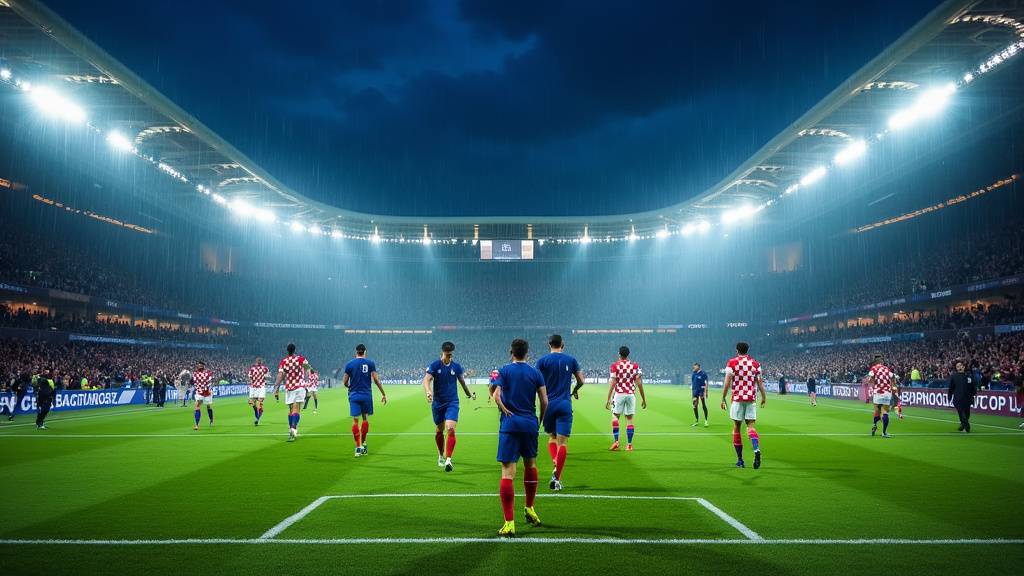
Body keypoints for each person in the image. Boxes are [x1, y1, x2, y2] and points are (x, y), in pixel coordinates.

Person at [491, 338, 548, 537]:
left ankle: (509, 523)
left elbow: (496, 395)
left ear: (511, 352)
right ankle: (530, 507)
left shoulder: (504, 370)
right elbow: (544, 400)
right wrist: (538, 420)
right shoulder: (536, 373)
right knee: (531, 465)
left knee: (508, 473)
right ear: (527, 353)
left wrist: (504, 408)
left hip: (510, 425)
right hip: (530, 424)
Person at [535, 334, 584, 491]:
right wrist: (574, 390)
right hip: (564, 404)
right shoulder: (571, 359)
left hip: (548, 404)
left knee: (552, 437)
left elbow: (535, 382)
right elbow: (581, 380)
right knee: (563, 442)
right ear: (563, 344)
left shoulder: (542, 361)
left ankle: (556, 463)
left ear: (549, 344)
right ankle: (556, 477)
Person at [423, 341, 474, 472]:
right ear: (442, 353)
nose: (449, 357)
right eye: (447, 355)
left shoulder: (456, 367)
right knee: (439, 431)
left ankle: (448, 460)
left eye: (451, 355)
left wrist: (469, 394)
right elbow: (426, 380)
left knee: (450, 429)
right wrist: (428, 392)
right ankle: (440, 455)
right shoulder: (435, 365)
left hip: (452, 402)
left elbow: (462, 382)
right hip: (438, 403)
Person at [720, 342, 767, 469]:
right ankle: (756, 450)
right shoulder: (755, 364)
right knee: (751, 426)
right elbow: (760, 383)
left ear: (737, 350)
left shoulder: (732, 363)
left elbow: (727, 383)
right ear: (748, 350)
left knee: (736, 427)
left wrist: (723, 398)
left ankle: (740, 460)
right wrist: (763, 397)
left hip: (737, 399)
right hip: (751, 399)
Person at [343, 344, 387, 457]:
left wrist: (349, 387)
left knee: (355, 421)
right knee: (365, 419)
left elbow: (345, 382)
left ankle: (358, 448)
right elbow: (376, 380)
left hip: (354, 395)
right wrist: (383, 394)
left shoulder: (350, 364)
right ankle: (364, 444)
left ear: (356, 352)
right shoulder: (370, 363)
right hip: (366, 395)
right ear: (365, 352)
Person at [604, 346, 646, 451]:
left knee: (615, 416)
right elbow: (639, 383)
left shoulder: (615, 366)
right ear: (628, 354)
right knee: (630, 419)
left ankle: (616, 442)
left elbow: (613, 382)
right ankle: (629, 445)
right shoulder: (635, 366)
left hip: (619, 394)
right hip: (631, 394)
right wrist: (643, 399)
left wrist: (608, 398)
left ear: (619, 354)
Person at [273, 343, 310, 442]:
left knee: (290, 410)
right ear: (294, 350)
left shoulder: (284, 361)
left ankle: (291, 429)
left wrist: (276, 388)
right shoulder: (301, 359)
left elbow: (280, 375)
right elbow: (308, 369)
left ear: (287, 350)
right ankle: (293, 429)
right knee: (296, 409)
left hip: (289, 388)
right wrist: (306, 380)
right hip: (299, 386)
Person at [866, 354, 895, 438]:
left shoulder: (874, 369)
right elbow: (893, 377)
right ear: (882, 362)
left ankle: (874, 424)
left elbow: (869, 379)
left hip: (877, 393)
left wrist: (872, 384)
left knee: (877, 411)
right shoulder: (886, 369)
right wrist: (892, 385)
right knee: (884, 412)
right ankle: (884, 432)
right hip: (887, 393)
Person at [947, 361, 976, 433]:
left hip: (967, 398)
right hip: (958, 398)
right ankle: (966, 425)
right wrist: (949, 396)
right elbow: (951, 388)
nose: (959, 367)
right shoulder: (954, 376)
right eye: (957, 366)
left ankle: (963, 424)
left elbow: (973, 387)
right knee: (961, 412)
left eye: (960, 366)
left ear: (963, 367)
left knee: (967, 413)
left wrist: (973, 395)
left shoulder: (969, 376)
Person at [191, 361, 214, 430]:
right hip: (201, 393)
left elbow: (192, 382)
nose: (199, 367)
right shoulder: (207, 374)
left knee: (208, 406)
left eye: (200, 366)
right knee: (197, 406)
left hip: (206, 393)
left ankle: (211, 419)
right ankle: (197, 425)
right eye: (199, 365)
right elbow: (193, 382)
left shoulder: (197, 374)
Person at [248, 357, 268, 426]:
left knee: (259, 403)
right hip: (253, 387)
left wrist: (264, 377)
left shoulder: (265, 368)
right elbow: (249, 377)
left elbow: (267, 376)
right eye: (258, 360)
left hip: (261, 387)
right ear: (256, 361)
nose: (259, 361)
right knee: (252, 404)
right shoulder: (252, 369)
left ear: (261, 361)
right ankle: (258, 415)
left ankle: (257, 419)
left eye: (260, 360)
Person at [691, 363, 709, 427]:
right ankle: (696, 420)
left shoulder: (703, 373)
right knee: (694, 405)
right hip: (695, 391)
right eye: (693, 367)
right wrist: (692, 391)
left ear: (698, 366)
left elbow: (706, 383)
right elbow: (693, 382)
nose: (693, 367)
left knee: (703, 405)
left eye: (695, 366)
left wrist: (706, 391)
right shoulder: (693, 373)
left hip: (701, 391)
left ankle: (706, 421)